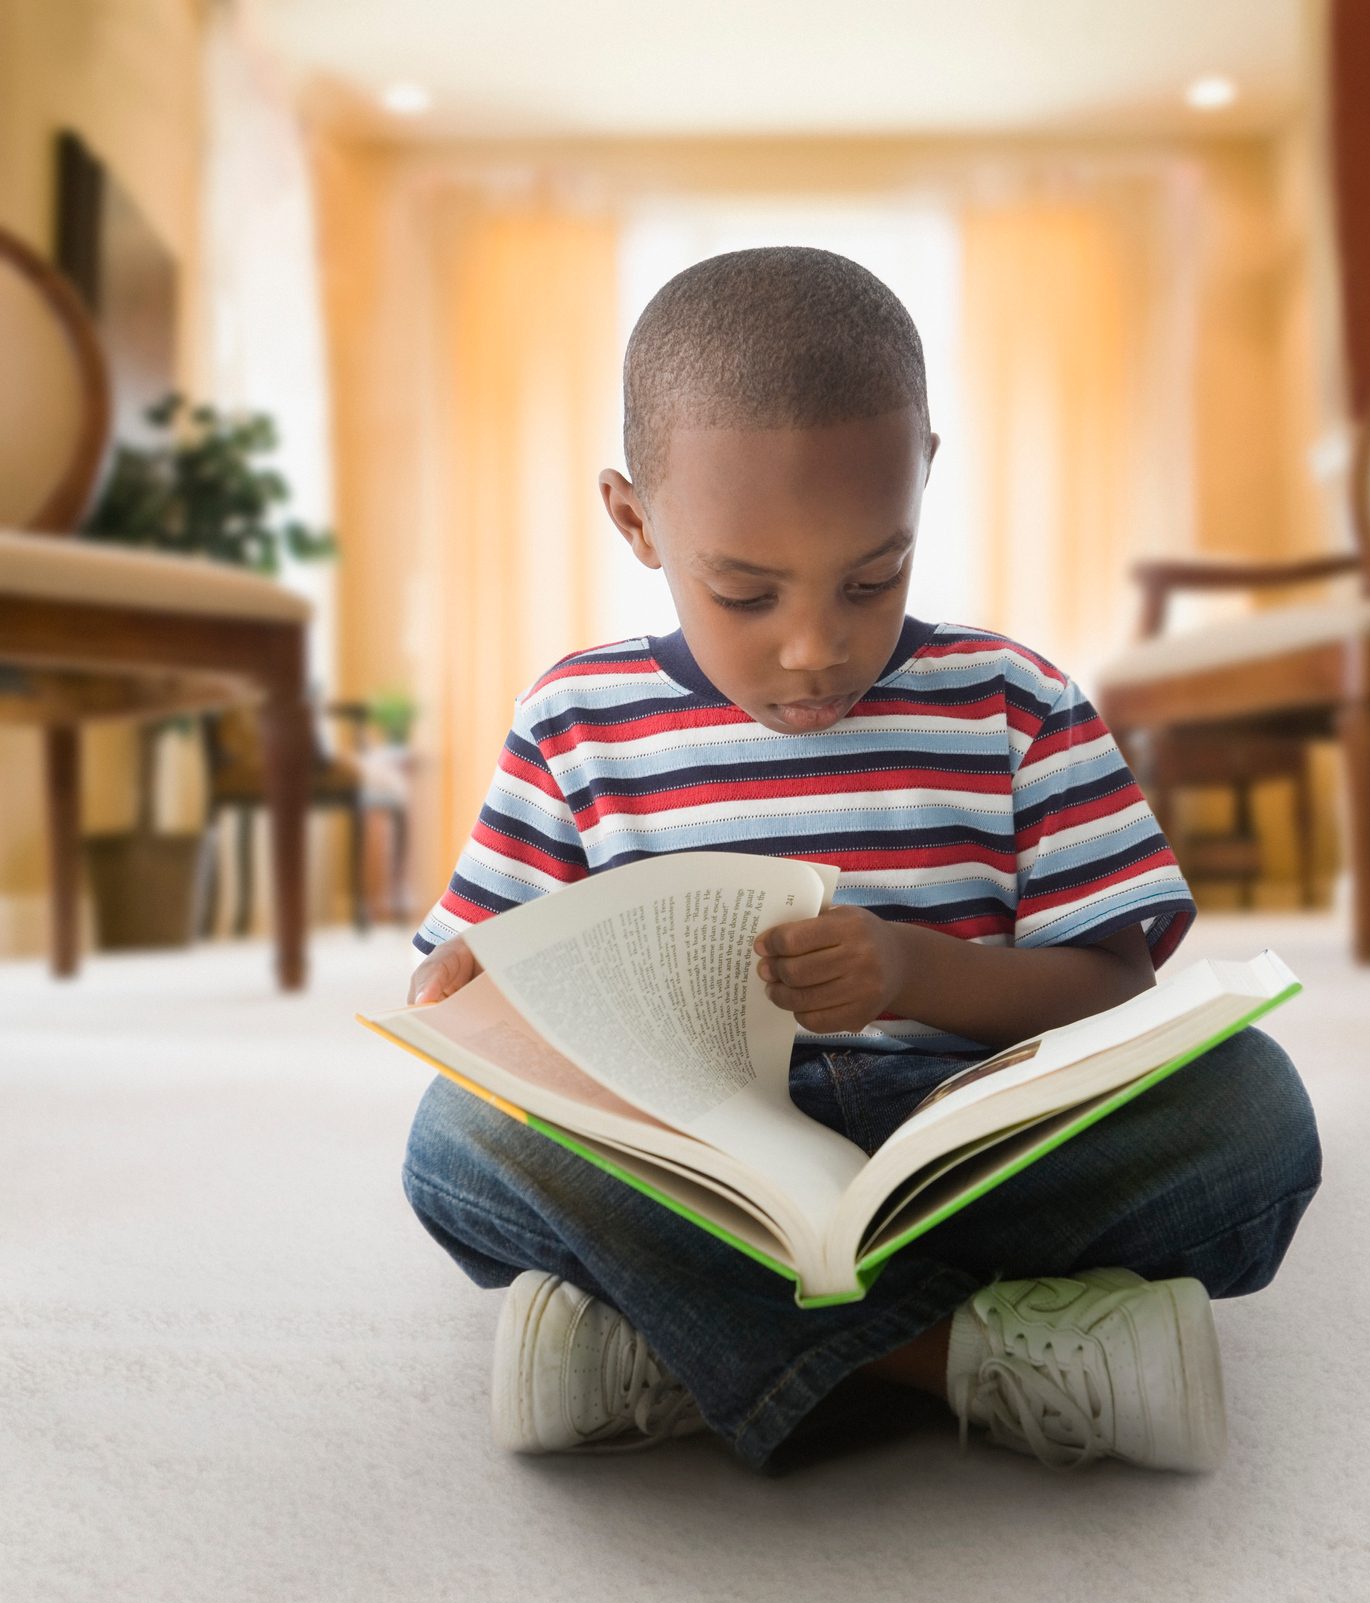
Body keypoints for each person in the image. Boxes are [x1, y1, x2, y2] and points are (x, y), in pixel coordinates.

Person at [400, 245, 1322, 1477]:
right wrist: (469, 986)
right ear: (635, 520)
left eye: (872, 576)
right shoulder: (578, 721)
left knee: (1249, 1107)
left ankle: (673, 1344)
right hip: (707, 1168)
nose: (812, 649)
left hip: (969, 1138)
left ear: (922, 477)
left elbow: (1112, 985)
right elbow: (478, 988)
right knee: (459, 1141)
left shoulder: (1014, 702)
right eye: (746, 593)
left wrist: (910, 973)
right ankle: (966, 1357)